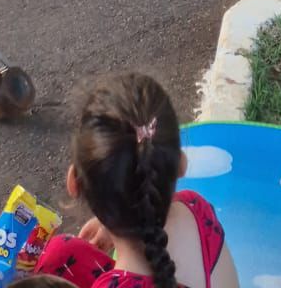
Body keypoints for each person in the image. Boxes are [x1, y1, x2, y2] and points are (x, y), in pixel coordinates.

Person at [35, 73, 239, 288]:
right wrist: (117, 219)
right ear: (181, 164)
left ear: (74, 183)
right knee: (62, 252)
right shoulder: (197, 209)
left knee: (50, 261)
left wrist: (115, 215)